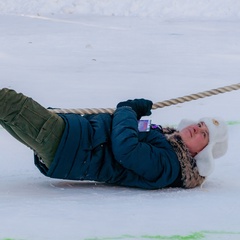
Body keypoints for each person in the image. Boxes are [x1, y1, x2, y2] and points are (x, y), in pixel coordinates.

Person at [0, 88, 228, 189]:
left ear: (203, 152)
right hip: (74, 138)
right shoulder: (165, 140)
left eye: (203, 134)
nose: (196, 129)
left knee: (8, 102)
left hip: (72, 147)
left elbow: (126, 149)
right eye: (199, 125)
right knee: (5, 109)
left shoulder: (169, 166)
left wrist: (128, 110)